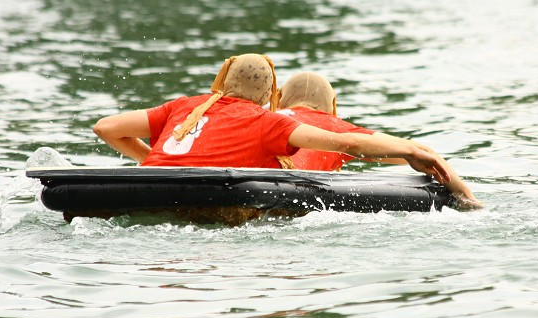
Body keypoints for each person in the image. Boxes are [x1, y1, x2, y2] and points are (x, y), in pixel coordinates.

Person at [92, 54, 450, 185]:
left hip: (150, 180)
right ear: (269, 97)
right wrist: (417, 153)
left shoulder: (187, 104)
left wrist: (155, 165)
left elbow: (106, 128)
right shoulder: (271, 122)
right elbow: (354, 145)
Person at [273, 71, 482, 209]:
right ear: (333, 104)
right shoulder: (336, 128)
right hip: (289, 200)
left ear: (279, 98)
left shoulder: (264, 118)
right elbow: (422, 153)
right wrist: (467, 197)